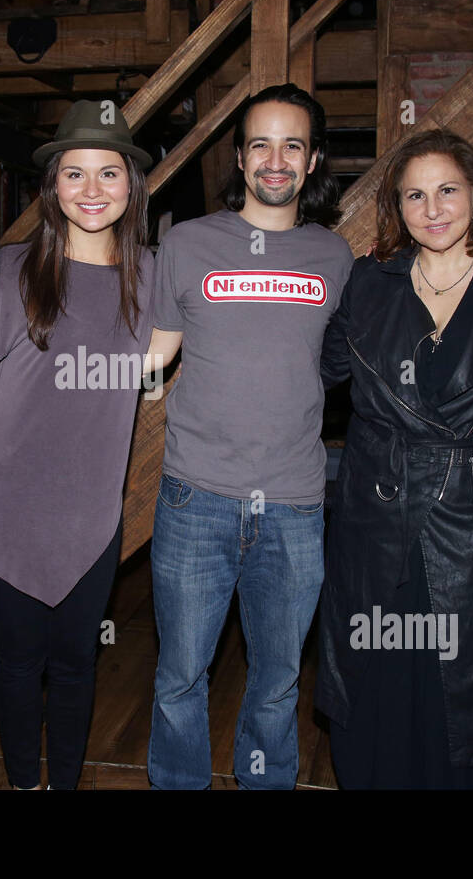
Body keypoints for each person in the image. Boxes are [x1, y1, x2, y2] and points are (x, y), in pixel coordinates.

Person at [315, 129, 473, 789]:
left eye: (447, 190)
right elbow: (310, 372)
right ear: (398, 207)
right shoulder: (368, 283)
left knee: (468, 690)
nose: (433, 207)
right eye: (415, 194)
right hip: (375, 515)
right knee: (377, 673)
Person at [144, 83, 353, 789]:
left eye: (292, 144)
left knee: (276, 683)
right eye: (260, 142)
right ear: (238, 156)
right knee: (178, 679)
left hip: (294, 506)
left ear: (313, 159)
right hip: (194, 499)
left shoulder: (335, 258)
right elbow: (152, 357)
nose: (275, 158)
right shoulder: (188, 243)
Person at [0, 100, 153, 790]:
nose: (92, 190)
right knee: (18, 662)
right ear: (53, 186)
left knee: (76, 663)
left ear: (132, 185)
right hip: (6, 498)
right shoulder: (12, 269)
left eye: (108, 173)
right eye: (75, 174)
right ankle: (22, 784)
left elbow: (162, 362)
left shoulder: (153, 279)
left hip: (90, 507)